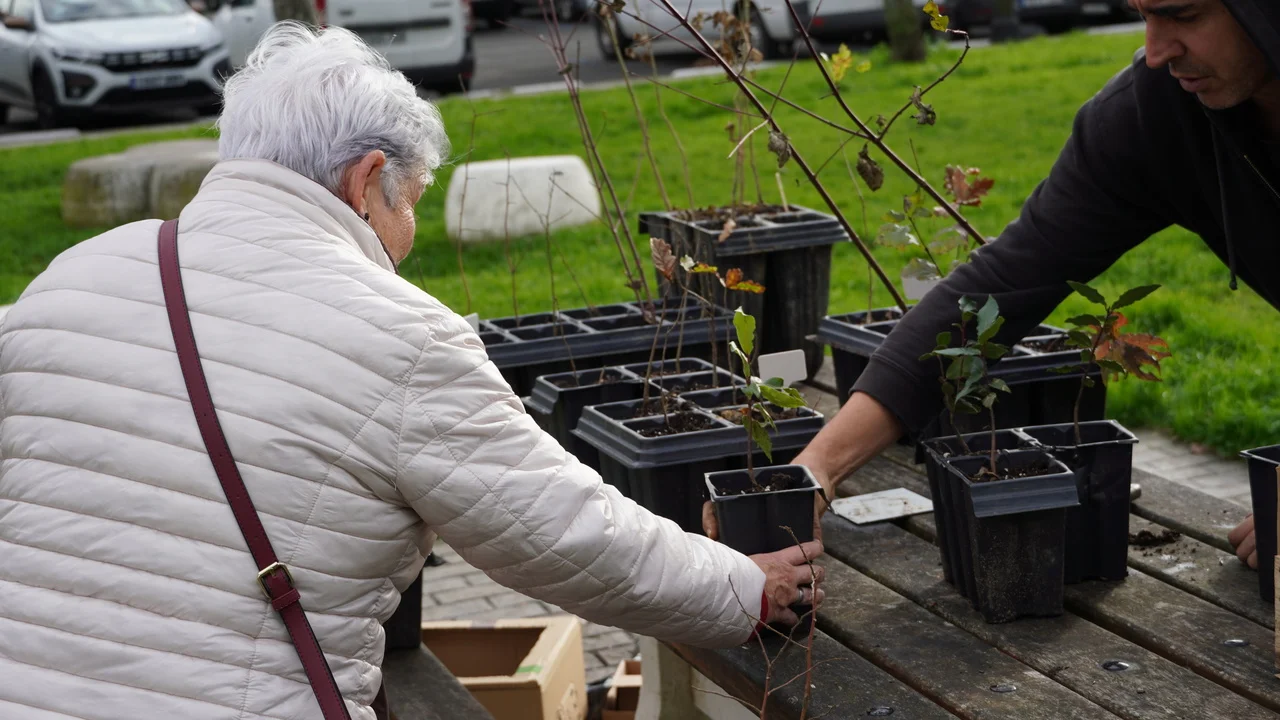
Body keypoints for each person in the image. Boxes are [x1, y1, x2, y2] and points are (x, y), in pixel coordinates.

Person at [0, 22, 823, 720]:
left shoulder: (73, 275)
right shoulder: (400, 336)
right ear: (366, 183)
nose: (408, 236)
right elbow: (568, 535)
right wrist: (739, 589)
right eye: (414, 201)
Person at [709, 0, 1280, 564]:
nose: (1155, 51)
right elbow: (1003, 282)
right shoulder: (1152, 115)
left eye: (1184, 16)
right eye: (1143, 15)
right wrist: (815, 469)